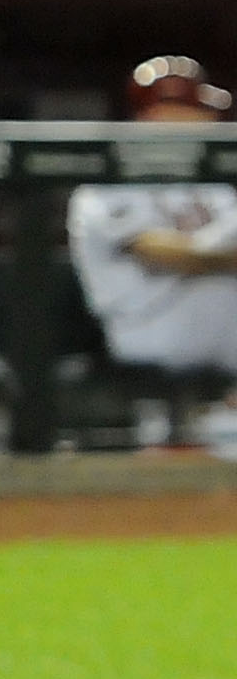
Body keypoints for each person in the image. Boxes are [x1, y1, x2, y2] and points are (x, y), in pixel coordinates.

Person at [67, 57, 237, 450]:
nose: (210, 120)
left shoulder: (208, 178)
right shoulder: (110, 178)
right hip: (145, 320)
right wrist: (213, 253)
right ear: (161, 112)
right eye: (197, 110)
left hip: (206, 307)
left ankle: (219, 425)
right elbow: (161, 252)